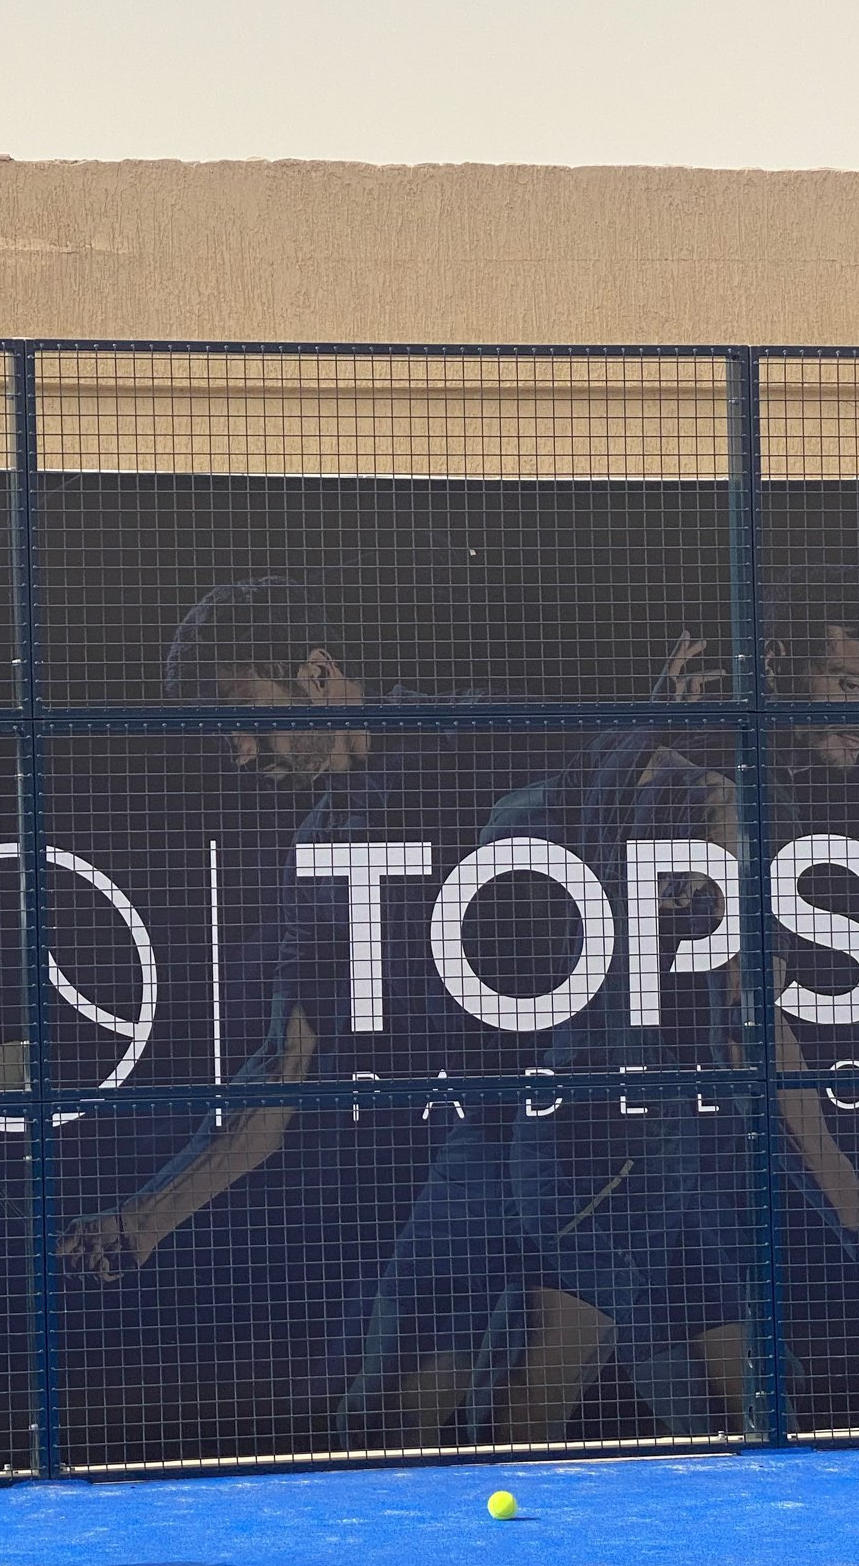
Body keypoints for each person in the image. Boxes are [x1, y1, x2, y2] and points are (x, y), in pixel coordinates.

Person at [487, 569, 859, 1444]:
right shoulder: (730, 794)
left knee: (748, 1406)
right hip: (616, 1141)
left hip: (676, 1138)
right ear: (777, 661)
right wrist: (857, 1210)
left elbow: (512, 821)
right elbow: (748, 1026)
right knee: (541, 1391)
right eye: (848, 685)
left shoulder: (669, 752)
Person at [59, 575, 532, 1439]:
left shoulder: (473, 738)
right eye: (224, 735)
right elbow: (284, 1069)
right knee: (384, 1416)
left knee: (489, 1405)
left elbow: (653, 771)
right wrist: (144, 1220)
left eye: (248, 719)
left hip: (599, 1128)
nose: (242, 755)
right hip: (486, 1149)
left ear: (316, 673)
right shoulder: (318, 849)